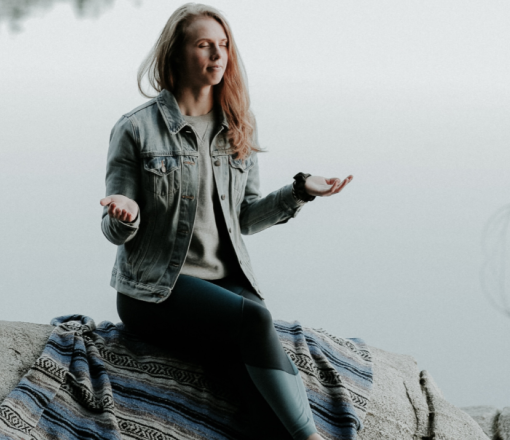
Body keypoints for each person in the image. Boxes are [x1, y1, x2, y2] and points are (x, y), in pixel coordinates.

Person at [98, 4, 353, 440]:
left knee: (250, 366)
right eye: (203, 45)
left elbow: (248, 218)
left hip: (220, 283)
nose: (217, 56)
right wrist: (125, 214)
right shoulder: (137, 129)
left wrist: (300, 190)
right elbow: (114, 229)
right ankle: (312, 437)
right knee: (254, 321)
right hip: (155, 291)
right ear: (176, 54)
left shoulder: (237, 124)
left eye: (223, 46)